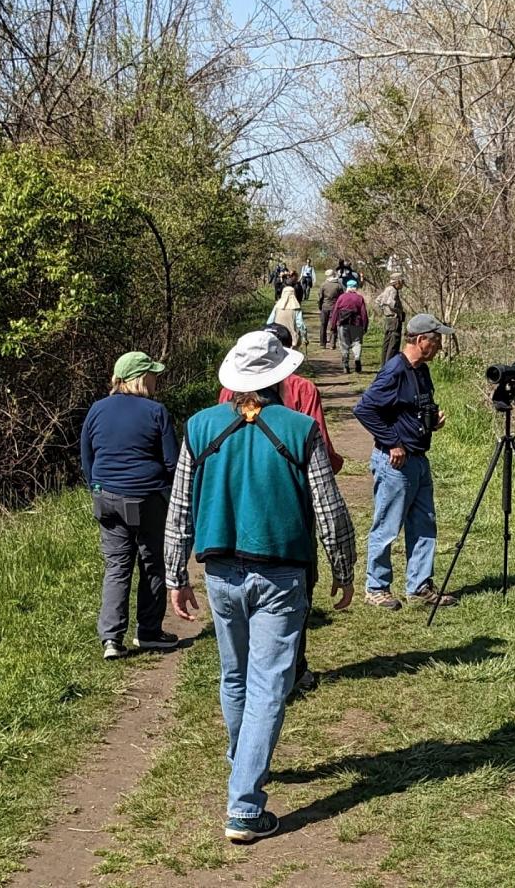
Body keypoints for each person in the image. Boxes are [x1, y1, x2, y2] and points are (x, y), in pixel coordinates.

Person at [165, 331, 356, 842]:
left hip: (220, 571)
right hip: (281, 571)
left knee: (235, 675)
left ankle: (243, 759)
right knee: (270, 684)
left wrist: (175, 575)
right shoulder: (300, 429)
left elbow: (179, 509)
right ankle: (245, 805)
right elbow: (329, 508)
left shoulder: (200, 427)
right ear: (280, 377)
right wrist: (343, 568)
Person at [218, 323, 343, 699]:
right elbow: (319, 443)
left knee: (237, 591)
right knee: (298, 584)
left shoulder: (228, 393)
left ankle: (248, 674)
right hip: (290, 504)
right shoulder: (303, 389)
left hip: (236, 503)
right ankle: (292, 668)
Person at [352, 314, 458, 610]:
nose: (439, 347)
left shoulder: (421, 370)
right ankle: (376, 587)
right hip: (395, 463)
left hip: (419, 459)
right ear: (421, 340)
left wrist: (432, 420)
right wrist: (392, 442)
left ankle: (420, 585)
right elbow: (364, 409)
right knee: (387, 526)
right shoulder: (394, 371)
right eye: (436, 341)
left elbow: (416, 407)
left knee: (424, 523)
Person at [80, 351, 181, 659]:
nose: (155, 380)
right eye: (152, 375)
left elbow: (87, 455)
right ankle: (149, 632)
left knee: (117, 566)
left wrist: (96, 486)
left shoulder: (97, 409)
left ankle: (111, 639)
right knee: (152, 562)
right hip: (146, 497)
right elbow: (172, 461)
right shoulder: (156, 411)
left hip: (106, 497)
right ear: (140, 378)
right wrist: (168, 494)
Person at [329, 277, 368, 374]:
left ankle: (345, 364)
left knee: (344, 344)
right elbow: (363, 313)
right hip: (357, 324)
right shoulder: (359, 298)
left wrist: (333, 325)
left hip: (343, 324)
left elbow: (335, 312)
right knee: (357, 342)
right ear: (356, 288)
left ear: (347, 287)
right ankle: (357, 358)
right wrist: (365, 326)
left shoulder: (341, 297)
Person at [375, 272, 406, 365]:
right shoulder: (393, 290)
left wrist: (384, 310)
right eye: (402, 281)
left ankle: (384, 365)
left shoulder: (387, 289)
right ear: (398, 281)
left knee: (387, 343)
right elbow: (390, 302)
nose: (403, 284)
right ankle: (389, 365)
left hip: (388, 319)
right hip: (394, 319)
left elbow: (378, 300)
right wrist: (398, 311)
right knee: (393, 343)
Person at [317, 268, 344, 348]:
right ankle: (332, 343)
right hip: (335, 307)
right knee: (333, 325)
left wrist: (320, 306)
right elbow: (341, 297)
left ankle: (323, 343)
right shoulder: (338, 285)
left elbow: (320, 297)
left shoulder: (323, 285)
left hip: (325, 306)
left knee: (323, 325)